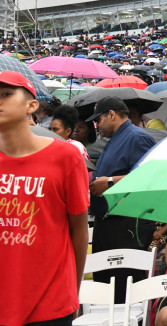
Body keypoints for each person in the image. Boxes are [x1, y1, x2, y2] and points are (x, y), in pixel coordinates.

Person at [0, 71, 90, 326]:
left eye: (6, 94)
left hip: (50, 302)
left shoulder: (66, 157)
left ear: (32, 105)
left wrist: (73, 289)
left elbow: (79, 229)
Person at [88, 96, 157, 302]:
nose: (96, 126)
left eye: (98, 120)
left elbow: (150, 176)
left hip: (126, 224)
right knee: (107, 287)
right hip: (109, 222)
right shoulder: (115, 138)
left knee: (124, 290)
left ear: (112, 114)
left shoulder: (136, 137)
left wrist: (109, 181)